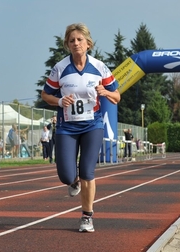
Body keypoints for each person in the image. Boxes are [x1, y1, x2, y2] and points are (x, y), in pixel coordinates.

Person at [41, 23, 120, 232]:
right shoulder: (60, 68)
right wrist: (59, 102)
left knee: (88, 171)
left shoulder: (100, 67)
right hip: (67, 127)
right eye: (72, 40)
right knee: (66, 176)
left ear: (88, 43)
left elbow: (117, 96)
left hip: (92, 125)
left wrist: (105, 92)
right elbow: (45, 95)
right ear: (67, 44)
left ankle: (87, 216)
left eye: (79, 40)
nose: (76, 43)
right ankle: (73, 181)